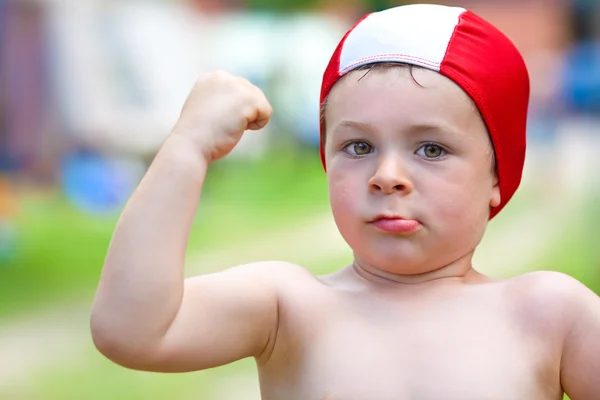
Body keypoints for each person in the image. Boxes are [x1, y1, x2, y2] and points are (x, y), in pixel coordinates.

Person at [91, 4, 600, 399]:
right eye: (359, 146)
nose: (387, 176)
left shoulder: (551, 315)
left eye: (431, 148)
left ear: (496, 173)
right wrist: (186, 148)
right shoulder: (288, 307)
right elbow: (132, 331)